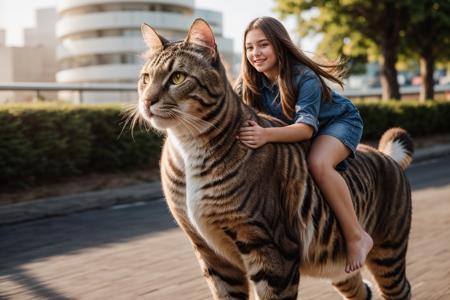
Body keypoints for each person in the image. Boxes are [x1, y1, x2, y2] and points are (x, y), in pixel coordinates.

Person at [236, 16, 373, 273]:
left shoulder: (304, 77)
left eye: (263, 45)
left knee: (318, 164)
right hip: (297, 130)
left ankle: (357, 236)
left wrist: (265, 136)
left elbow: (306, 129)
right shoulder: (248, 82)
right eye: (249, 47)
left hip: (337, 123)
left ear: (279, 45)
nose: (255, 53)